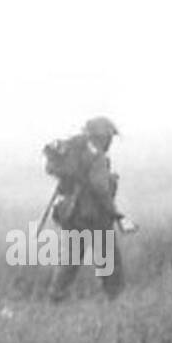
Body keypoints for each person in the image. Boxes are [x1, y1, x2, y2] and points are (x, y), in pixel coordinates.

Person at [46, 116, 129, 302]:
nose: (110, 142)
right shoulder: (96, 156)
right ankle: (115, 300)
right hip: (94, 215)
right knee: (109, 261)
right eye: (109, 137)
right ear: (103, 137)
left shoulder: (76, 151)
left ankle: (56, 297)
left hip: (72, 215)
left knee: (70, 261)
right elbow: (99, 187)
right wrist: (113, 210)